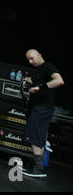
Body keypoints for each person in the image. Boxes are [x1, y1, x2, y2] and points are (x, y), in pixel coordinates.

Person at [22, 49, 64, 178]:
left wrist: (40, 88)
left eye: (32, 58)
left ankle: (37, 167)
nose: (31, 61)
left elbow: (59, 80)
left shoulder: (48, 67)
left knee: (34, 135)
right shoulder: (39, 71)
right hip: (38, 108)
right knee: (38, 136)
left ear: (40, 55)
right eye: (28, 59)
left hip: (43, 108)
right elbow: (32, 79)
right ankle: (37, 166)